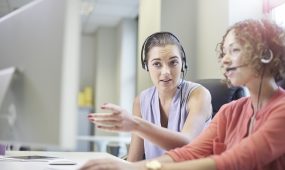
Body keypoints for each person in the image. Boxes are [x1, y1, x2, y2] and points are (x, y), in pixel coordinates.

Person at [80, 19, 285, 170]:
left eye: (234, 50)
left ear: (265, 54)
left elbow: (234, 161)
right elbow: (191, 152)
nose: (224, 60)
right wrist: (129, 167)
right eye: (224, 52)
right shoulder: (229, 112)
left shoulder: (281, 110)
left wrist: (134, 168)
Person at [88, 32, 212, 161]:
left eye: (173, 62)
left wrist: (136, 125)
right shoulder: (141, 101)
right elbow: (134, 160)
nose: (166, 72)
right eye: (157, 64)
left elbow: (187, 144)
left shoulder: (199, 95)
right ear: (146, 66)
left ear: (183, 64)